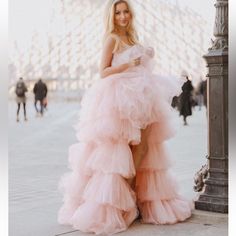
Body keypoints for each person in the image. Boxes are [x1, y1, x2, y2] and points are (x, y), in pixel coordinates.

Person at [58, 0, 193, 234]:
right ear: (112, 16)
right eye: (118, 13)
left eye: (125, 12)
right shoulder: (112, 38)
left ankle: (131, 196)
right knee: (121, 154)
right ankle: (123, 202)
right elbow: (103, 71)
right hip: (120, 99)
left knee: (142, 150)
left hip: (142, 98)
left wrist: (147, 55)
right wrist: (128, 63)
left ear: (131, 14)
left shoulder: (133, 38)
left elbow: (143, 68)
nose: (122, 16)